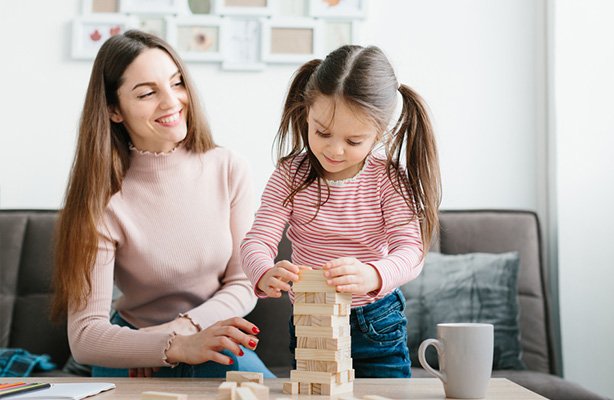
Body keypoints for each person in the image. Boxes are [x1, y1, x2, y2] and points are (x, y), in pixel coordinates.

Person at [51, 30, 273, 379]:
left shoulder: (229, 168)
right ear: (114, 110)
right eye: (148, 93)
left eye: (177, 83)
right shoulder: (102, 199)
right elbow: (85, 336)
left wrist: (185, 328)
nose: (172, 102)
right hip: (134, 346)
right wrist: (172, 346)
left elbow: (245, 282)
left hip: (211, 332)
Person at [240, 45, 442, 378]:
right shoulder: (289, 175)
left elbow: (411, 251)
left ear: (380, 132)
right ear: (306, 113)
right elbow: (256, 241)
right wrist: (263, 271)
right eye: (322, 132)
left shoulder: (388, 179)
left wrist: (373, 275)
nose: (334, 150)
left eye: (353, 141)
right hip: (311, 319)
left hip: (377, 322)